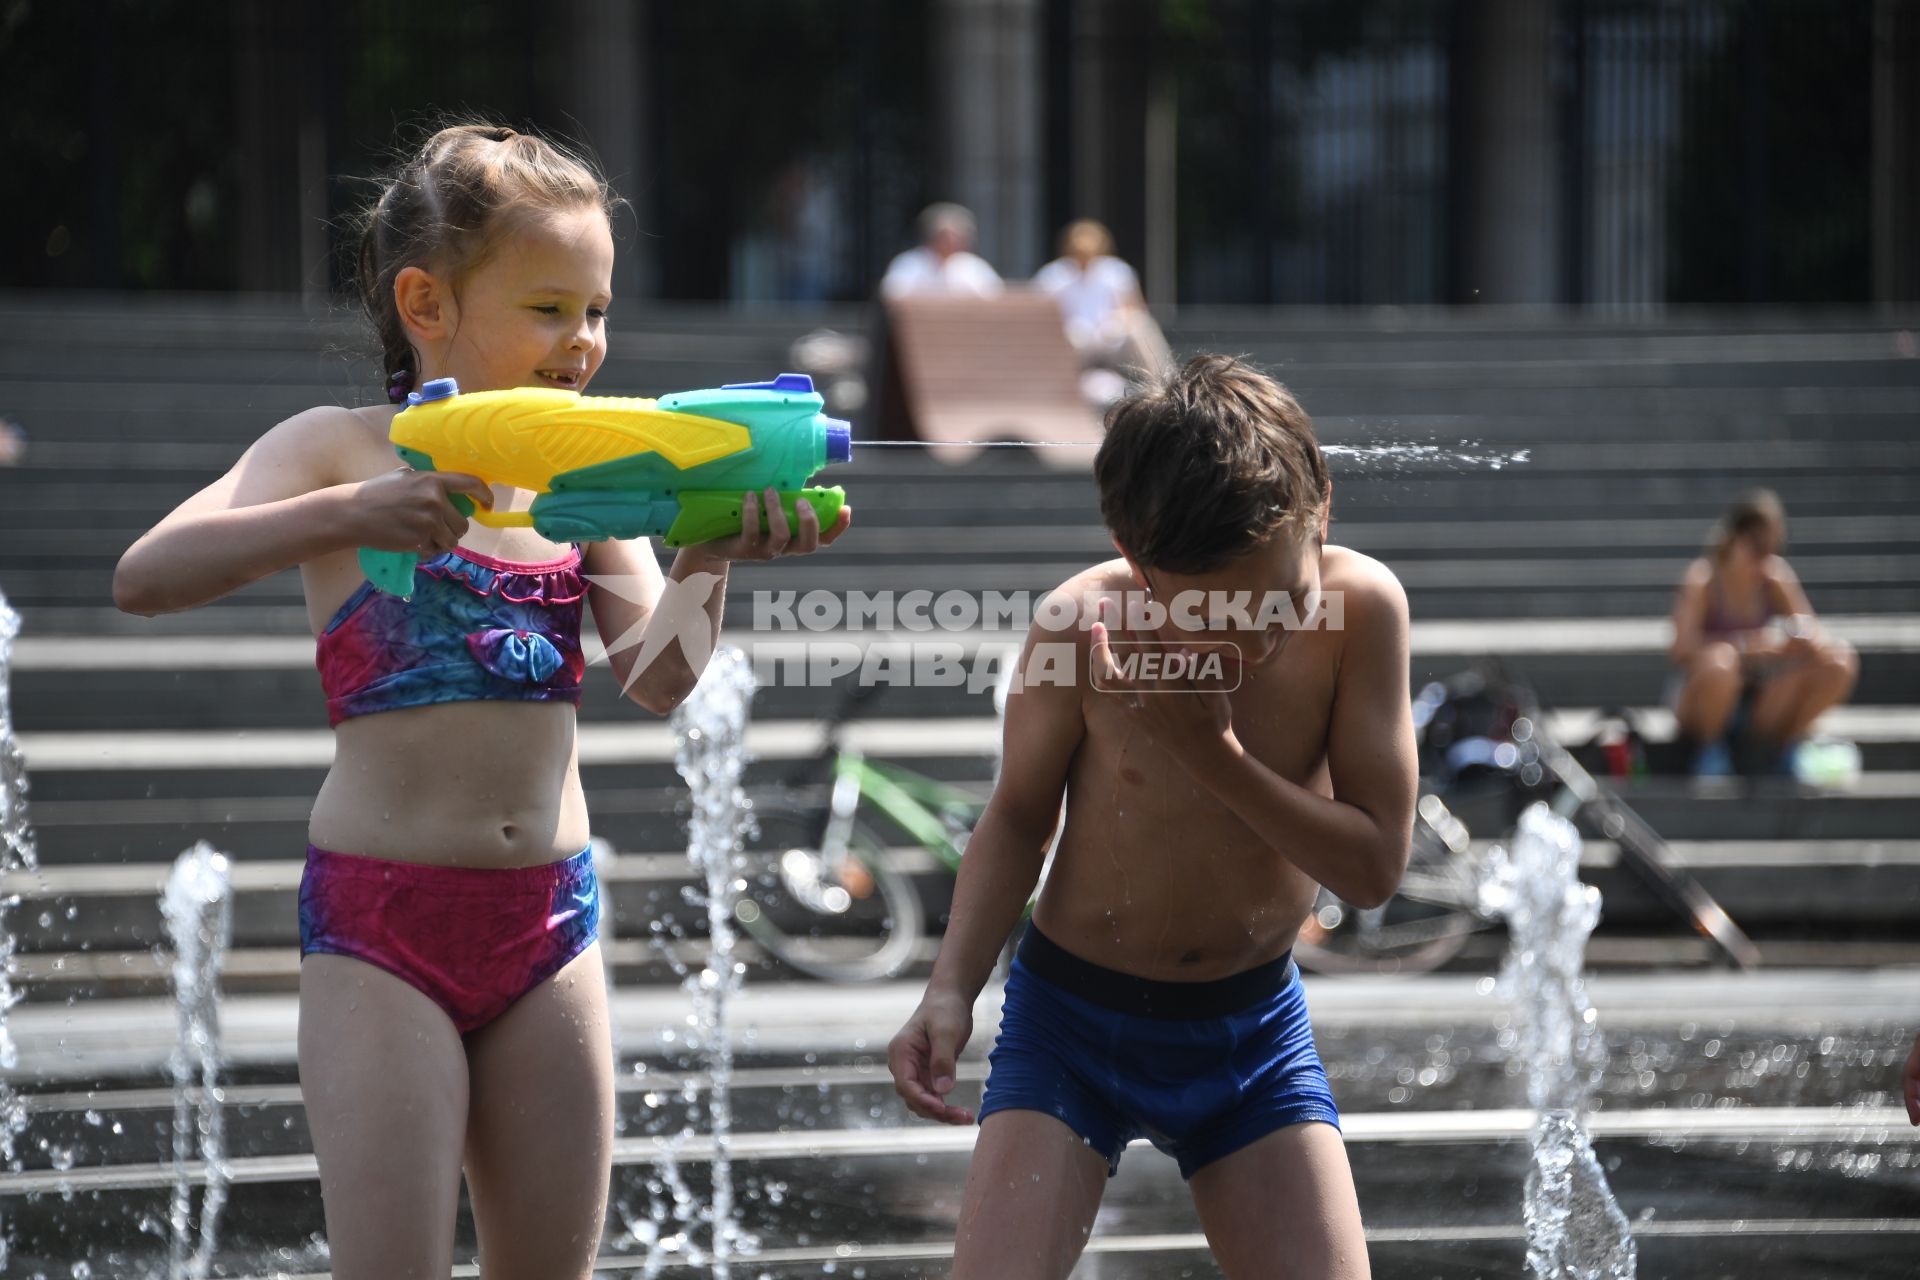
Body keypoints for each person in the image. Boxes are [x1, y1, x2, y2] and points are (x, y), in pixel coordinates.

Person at [111, 122, 849, 1279]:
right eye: (551, 306)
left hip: (551, 925)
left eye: (599, 309)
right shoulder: (339, 451)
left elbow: (660, 678)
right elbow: (145, 575)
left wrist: (711, 554)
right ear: (426, 300)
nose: (587, 341)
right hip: (381, 930)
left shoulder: (584, 483)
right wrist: (352, 515)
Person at [888, 354, 1415, 1279]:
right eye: (1218, 618)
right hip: (1072, 1026)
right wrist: (949, 988)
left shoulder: (1361, 612)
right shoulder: (1078, 628)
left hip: (1250, 1027)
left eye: (1284, 603)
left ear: (1321, 507)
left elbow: (1373, 869)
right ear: (1138, 561)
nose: (1259, 641)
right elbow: (1017, 819)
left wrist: (1213, 757)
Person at [1666, 489, 1857, 777]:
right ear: (1733, 538)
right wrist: (1746, 647)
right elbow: (1681, 649)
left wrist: (1793, 640)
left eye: (1772, 547)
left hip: (1761, 694)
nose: (1764, 557)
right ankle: (1710, 751)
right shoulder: (1703, 578)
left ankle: (1784, 747)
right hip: (1705, 695)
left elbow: (1814, 633)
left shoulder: (1775, 576)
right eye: (1757, 546)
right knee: (1720, 662)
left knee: (1838, 662)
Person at [1032, 218, 1172, 392]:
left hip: (1111, 338)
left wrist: (1117, 322)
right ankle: (1056, 392)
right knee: (1069, 337)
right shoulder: (1053, 275)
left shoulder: (1116, 271)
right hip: (1074, 341)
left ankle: (1165, 383)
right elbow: (1039, 316)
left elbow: (1135, 308)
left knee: (1141, 325)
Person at [878, 202, 1003, 299]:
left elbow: (994, 295)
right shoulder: (910, 263)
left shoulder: (973, 266)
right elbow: (892, 292)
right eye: (949, 237)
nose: (955, 242)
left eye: (961, 237)